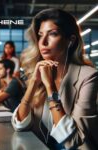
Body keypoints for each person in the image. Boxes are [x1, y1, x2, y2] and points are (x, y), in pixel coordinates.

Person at [11, 8, 98, 150]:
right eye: (40, 35)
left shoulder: (88, 76)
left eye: (53, 34)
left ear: (70, 40)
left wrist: (50, 87)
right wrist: (34, 82)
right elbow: (19, 124)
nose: (43, 42)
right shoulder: (39, 72)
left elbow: (74, 140)